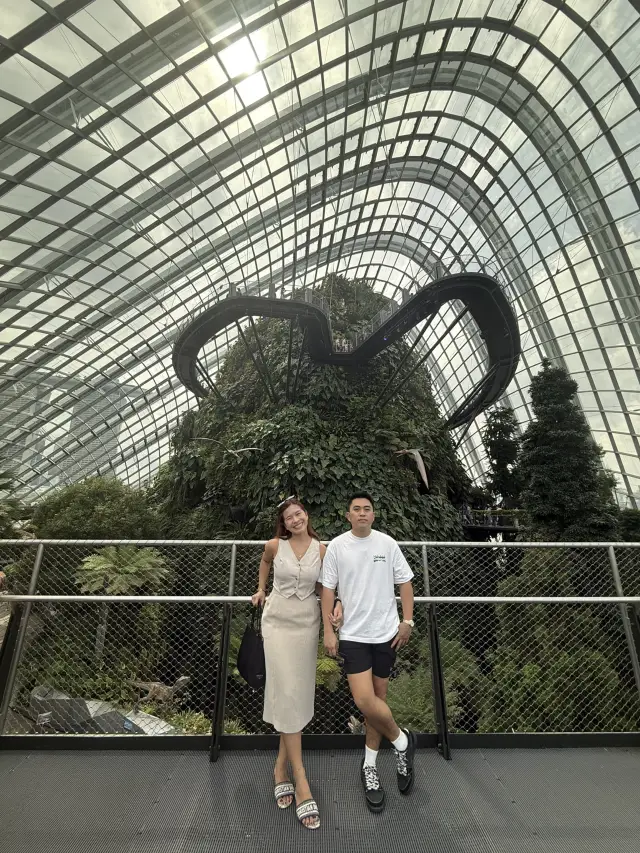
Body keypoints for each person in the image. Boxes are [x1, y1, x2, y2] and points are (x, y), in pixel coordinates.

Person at [321, 492, 417, 813]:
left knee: (376, 705)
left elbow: (405, 583)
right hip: (353, 636)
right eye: (356, 509)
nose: (362, 513)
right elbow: (328, 590)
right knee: (365, 701)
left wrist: (407, 621)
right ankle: (403, 742)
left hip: (386, 635)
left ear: (373, 515)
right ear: (348, 515)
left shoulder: (387, 544)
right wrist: (328, 629)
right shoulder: (337, 546)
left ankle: (370, 767)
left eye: (367, 509)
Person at [251, 497, 342, 830]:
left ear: (307, 516)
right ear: (283, 523)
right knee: (287, 691)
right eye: (288, 517)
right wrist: (261, 589)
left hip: (307, 623)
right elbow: (264, 562)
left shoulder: (323, 549)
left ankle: (279, 767)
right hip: (276, 621)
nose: (295, 520)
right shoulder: (274, 545)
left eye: (298, 514)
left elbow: (326, 588)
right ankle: (300, 778)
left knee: (297, 695)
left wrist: (333, 620)